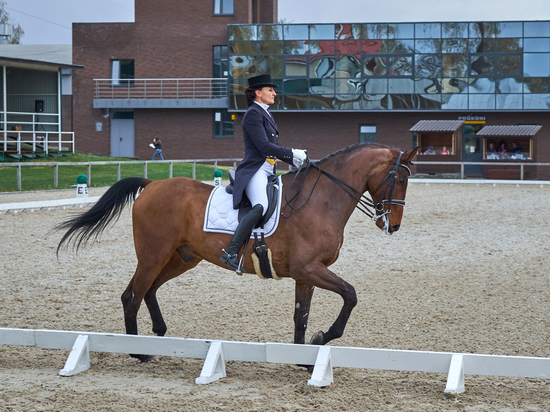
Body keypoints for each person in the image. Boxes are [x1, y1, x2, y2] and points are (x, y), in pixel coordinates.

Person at [220, 74, 307, 272]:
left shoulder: (265, 113)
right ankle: (231, 252)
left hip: (268, 169)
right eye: (270, 90)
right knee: (260, 205)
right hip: (255, 169)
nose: (275, 93)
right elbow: (263, 146)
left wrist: (295, 160)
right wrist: (291, 152)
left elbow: (272, 148)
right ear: (258, 93)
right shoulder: (253, 114)